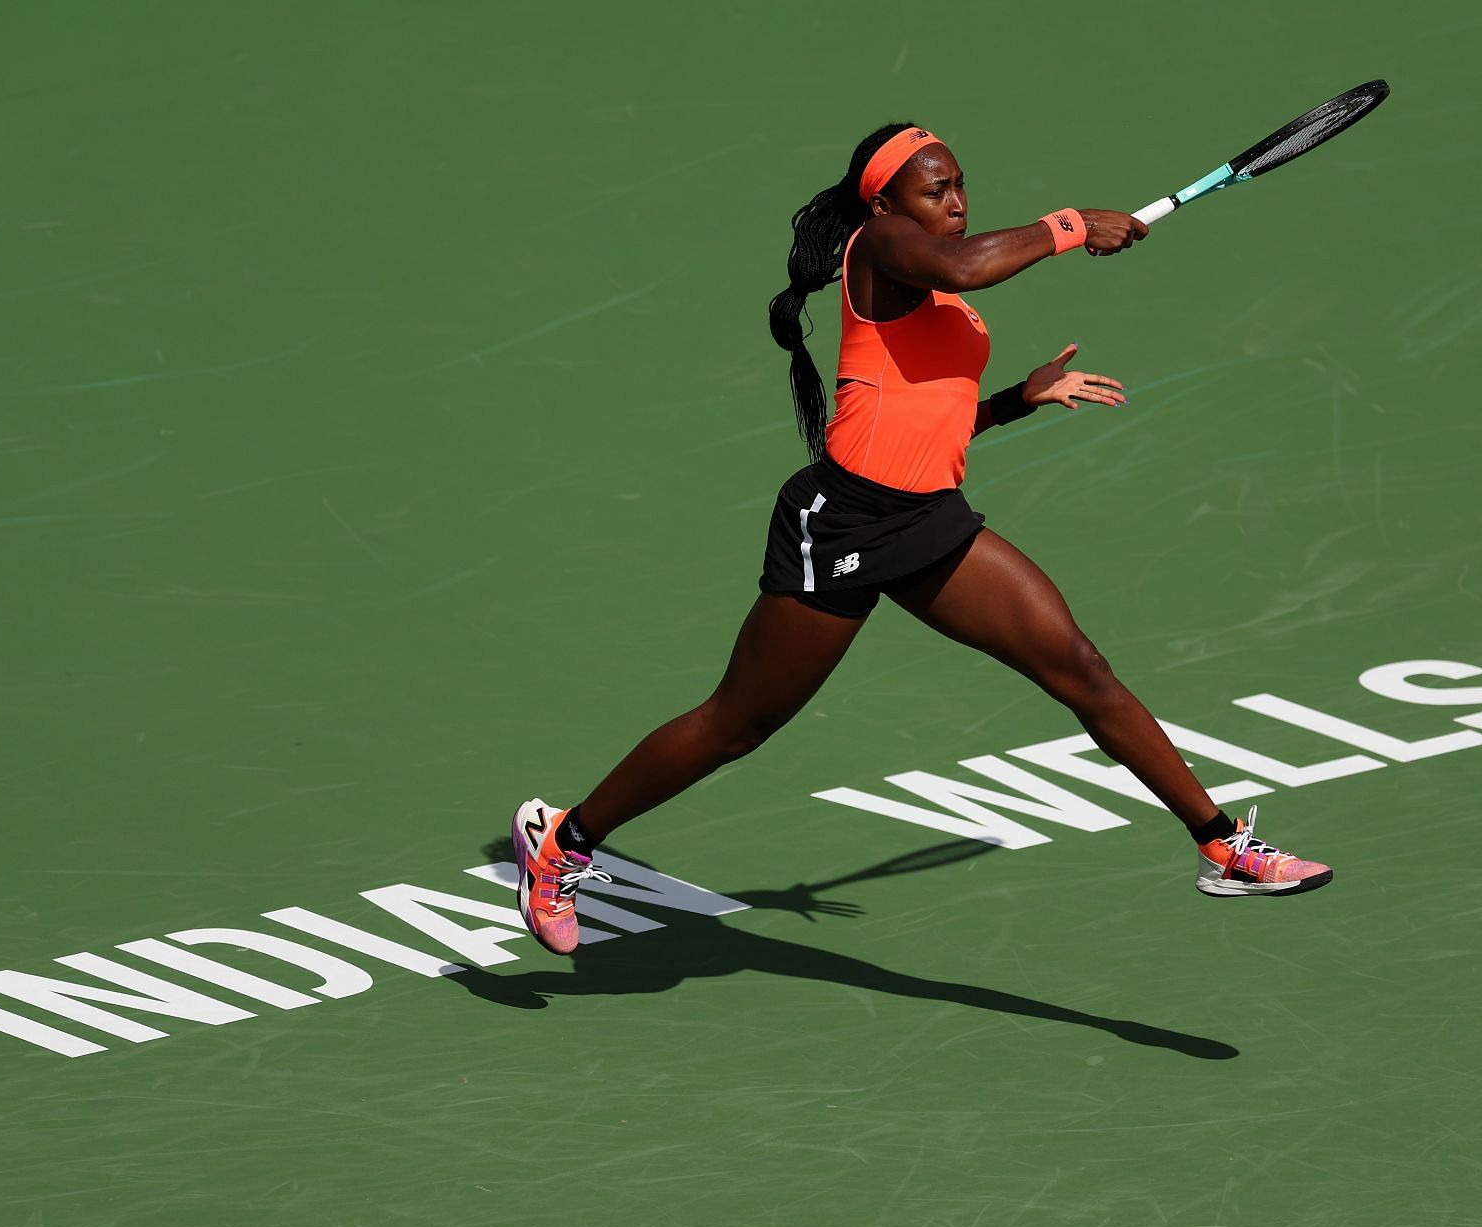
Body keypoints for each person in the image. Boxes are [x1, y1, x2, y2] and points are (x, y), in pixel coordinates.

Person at [513, 123, 1332, 955]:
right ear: (884, 203)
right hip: (840, 523)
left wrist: (1020, 397)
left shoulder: (932, 291)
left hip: (927, 519)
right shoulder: (883, 250)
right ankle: (564, 841)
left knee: (1080, 668)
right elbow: (969, 263)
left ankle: (1220, 844)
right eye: (935, 190)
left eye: (960, 185)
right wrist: (1073, 224)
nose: (957, 202)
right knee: (738, 724)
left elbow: (925, 420)